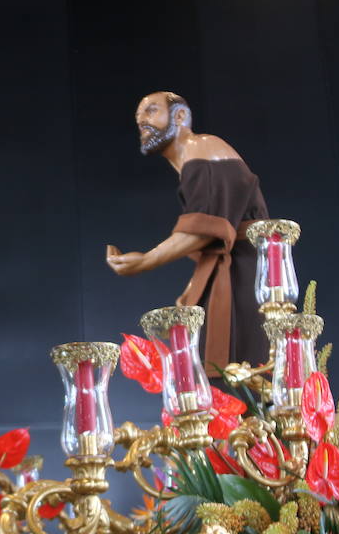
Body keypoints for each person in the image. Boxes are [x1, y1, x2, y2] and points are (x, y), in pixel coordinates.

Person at [106, 91, 269, 371]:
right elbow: (213, 232)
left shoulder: (202, 146)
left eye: (151, 111)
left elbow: (206, 227)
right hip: (231, 272)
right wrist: (195, 287)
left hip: (247, 275)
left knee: (244, 361)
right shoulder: (190, 161)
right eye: (138, 117)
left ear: (180, 116)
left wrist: (145, 261)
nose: (142, 121)